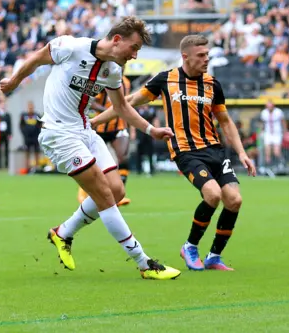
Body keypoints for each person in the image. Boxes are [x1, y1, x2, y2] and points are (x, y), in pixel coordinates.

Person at [0, 16, 181, 280]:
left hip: (85, 131)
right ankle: (145, 264)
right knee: (105, 196)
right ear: (117, 40)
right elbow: (38, 58)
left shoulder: (113, 71)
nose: (134, 55)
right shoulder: (70, 47)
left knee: (117, 191)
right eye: (134, 48)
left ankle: (62, 233)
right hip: (59, 134)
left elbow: (121, 108)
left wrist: (151, 130)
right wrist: (15, 81)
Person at [91, 34, 257, 272]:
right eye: (201, 55)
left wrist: (241, 153)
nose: (206, 59)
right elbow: (128, 103)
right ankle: (190, 246)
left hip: (215, 151)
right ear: (185, 56)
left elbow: (226, 121)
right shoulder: (166, 79)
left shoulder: (212, 84)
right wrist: (96, 121)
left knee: (234, 200)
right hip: (186, 151)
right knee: (212, 195)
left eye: (207, 55)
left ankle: (214, 256)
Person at [77, 75, 133, 207]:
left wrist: (130, 126)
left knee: (123, 157)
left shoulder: (126, 82)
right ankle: (84, 192)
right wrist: (109, 111)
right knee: (91, 161)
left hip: (119, 127)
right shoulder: (105, 81)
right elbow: (92, 102)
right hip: (100, 127)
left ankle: (117, 196)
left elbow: (126, 105)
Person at [259, 100, 285, 168]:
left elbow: (283, 121)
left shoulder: (278, 112)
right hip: (268, 133)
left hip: (277, 133)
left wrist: (285, 131)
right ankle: (267, 167)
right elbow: (263, 123)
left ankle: (282, 163)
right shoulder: (264, 112)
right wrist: (261, 131)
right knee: (267, 151)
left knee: (276, 152)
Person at [19, 101, 43, 172]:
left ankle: (37, 168)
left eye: (31, 106)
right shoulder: (23, 115)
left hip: (35, 138)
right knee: (27, 153)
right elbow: (21, 126)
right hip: (27, 138)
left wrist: (38, 134)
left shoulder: (37, 115)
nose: (30, 108)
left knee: (36, 153)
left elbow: (40, 125)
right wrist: (25, 134)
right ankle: (27, 168)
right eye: (29, 107)